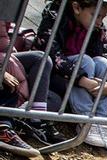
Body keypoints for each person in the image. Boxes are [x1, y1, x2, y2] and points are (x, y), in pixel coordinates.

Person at [34, 0, 107, 148]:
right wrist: (82, 79)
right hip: (54, 75)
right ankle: (85, 117)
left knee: (101, 62)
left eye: (102, 18)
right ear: (77, 7)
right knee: (85, 60)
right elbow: (51, 52)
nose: (99, 22)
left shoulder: (97, 28)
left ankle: (101, 120)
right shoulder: (55, 16)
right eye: (95, 16)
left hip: (83, 80)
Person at [1, 20, 69, 148]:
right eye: (95, 15)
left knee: (53, 98)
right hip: (4, 66)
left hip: (7, 60)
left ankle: (34, 119)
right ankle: (7, 125)